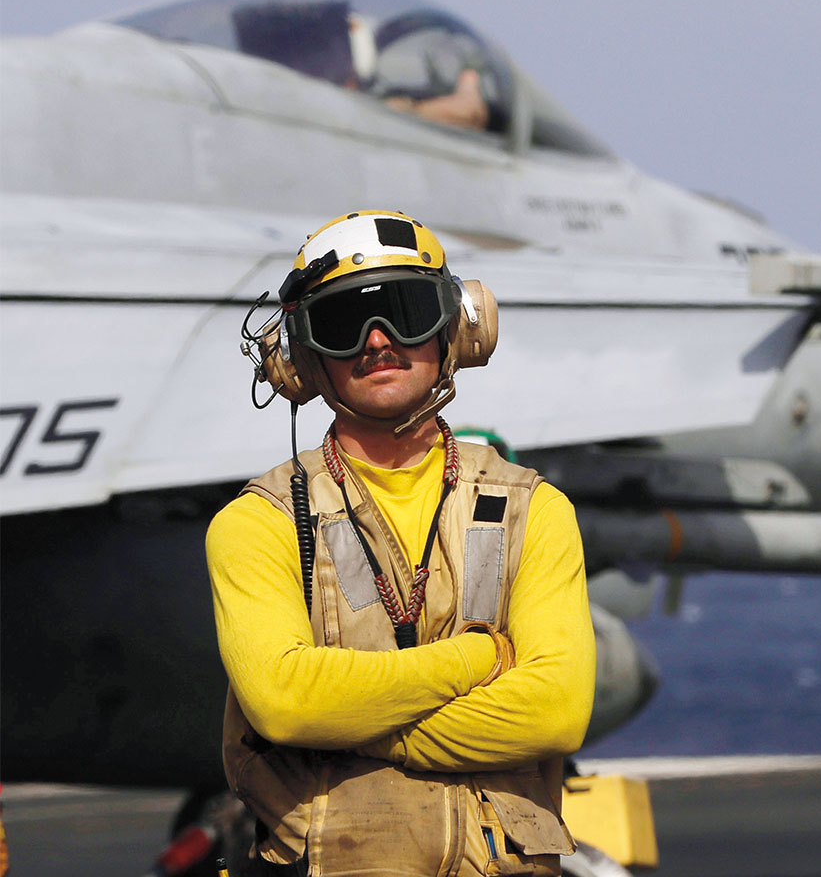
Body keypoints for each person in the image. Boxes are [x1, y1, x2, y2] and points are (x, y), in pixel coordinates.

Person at [207, 210, 595, 876]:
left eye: (405, 311)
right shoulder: (259, 522)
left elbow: (555, 712)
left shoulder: (535, 510)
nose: (378, 340)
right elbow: (285, 701)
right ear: (300, 359)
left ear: (459, 329)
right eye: (342, 324)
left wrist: (352, 729)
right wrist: (479, 659)